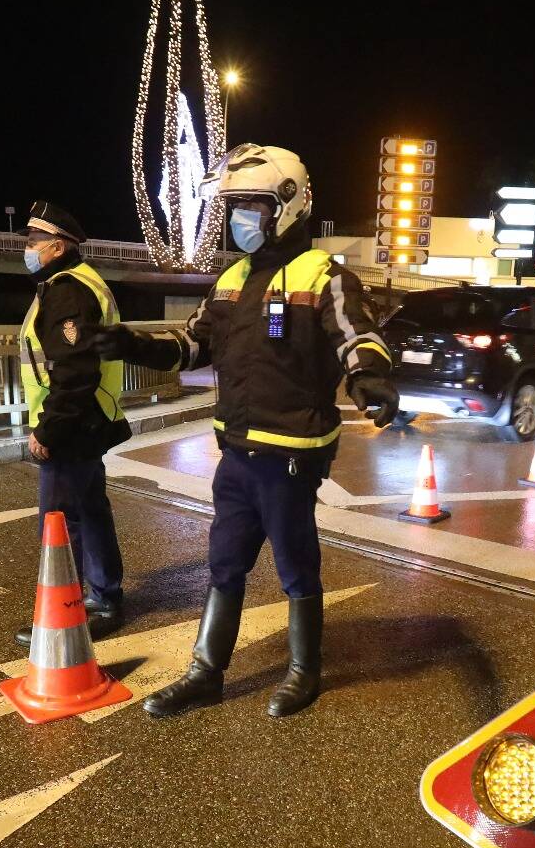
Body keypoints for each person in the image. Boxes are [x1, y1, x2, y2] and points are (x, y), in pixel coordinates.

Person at [96, 144, 399, 718]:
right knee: (224, 561)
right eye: (234, 207)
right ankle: (206, 672)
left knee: (294, 563)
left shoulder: (323, 275)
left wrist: (370, 377)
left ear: (288, 204)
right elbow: (193, 344)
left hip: (290, 453)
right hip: (235, 452)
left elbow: (356, 335)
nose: (240, 219)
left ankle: (304, 670)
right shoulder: (232, 279)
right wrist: (133, 344)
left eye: (250, 206)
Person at [13, 200, 132, 646]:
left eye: (33, 241)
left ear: (58, 246)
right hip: (87, 420)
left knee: (60, 522)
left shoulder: (67, 291)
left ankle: (71, 611)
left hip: (73, 425)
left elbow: (74, 372)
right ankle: (104, 598)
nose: (28, 248)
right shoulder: (77, 284)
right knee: (89, 512)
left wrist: (48, 429)